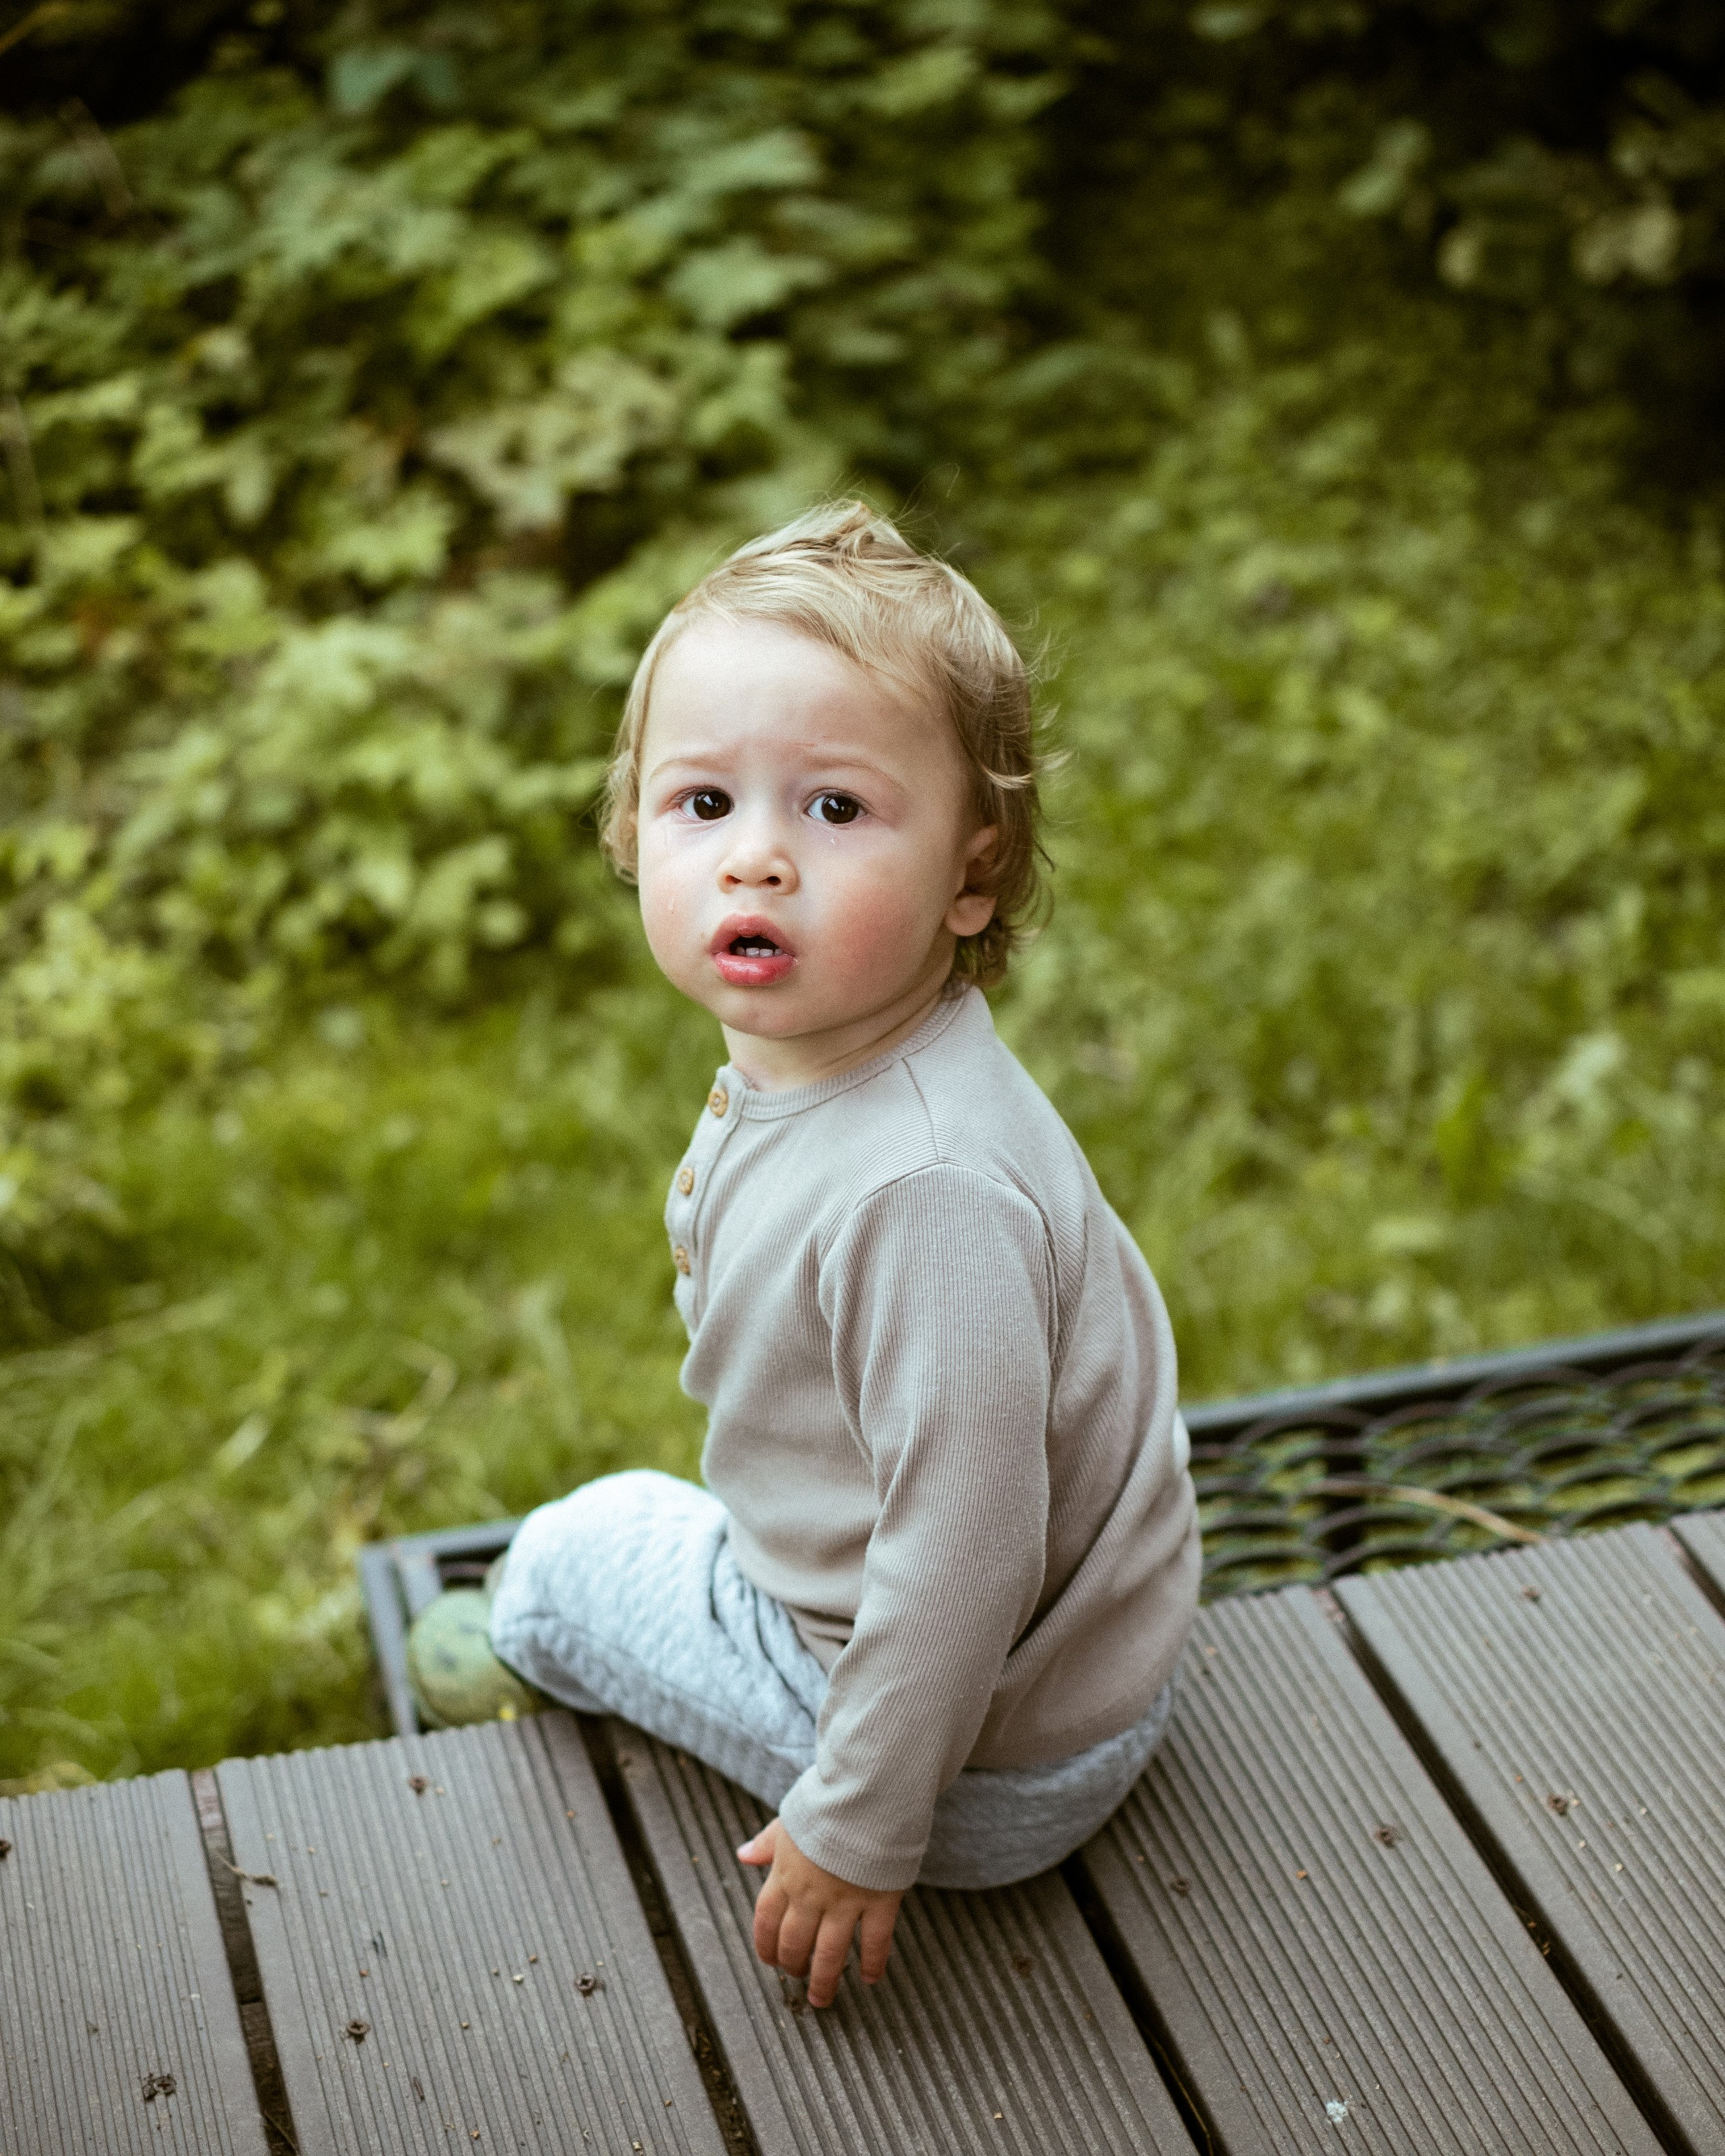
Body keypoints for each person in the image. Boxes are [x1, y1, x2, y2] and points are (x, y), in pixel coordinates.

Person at [425, 501, 1199, 2010]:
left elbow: (965, 1551)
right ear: (627, 826)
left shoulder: (921, 1188)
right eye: (702, 804)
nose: (756, 862)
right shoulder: (847, 1067)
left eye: (834, 811)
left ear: (969, 878)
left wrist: (860, 1829)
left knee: (571, 1554)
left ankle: (517, 1646)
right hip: (1082, 1657)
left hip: (972, 1764)